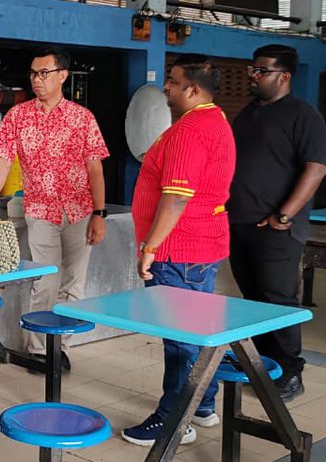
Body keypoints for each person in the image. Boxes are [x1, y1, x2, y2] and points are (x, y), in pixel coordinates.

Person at [121, 54, 236, 447]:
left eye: (172, 81)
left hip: (180, 249)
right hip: (201, 244)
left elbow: (176, 197)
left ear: (193, 89)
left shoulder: (191, 129)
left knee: (181, 338)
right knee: (197, 329)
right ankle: (202, 405)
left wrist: (151, 246)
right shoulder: (214, 120)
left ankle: (173, 419)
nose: (165, 88)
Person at [0, 46, 110, 365]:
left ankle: (58, 345)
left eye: (44, 73)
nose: (37, 80)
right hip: (40, 211)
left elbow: (95, 167)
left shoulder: (82, 118)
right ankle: (40, 350)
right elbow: (2, 163)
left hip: (80, 212)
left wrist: (100, 214)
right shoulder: (18, 116)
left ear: (62, 75)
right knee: (47, 280)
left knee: (74, 283)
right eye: (34, 73)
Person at [227, 44, 326, 402]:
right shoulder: (248, 113)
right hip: (240, 223)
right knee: (253, 300)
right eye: (252, 69)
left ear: (283, 76)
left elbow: (315, 169)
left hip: (277, 229)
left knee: (279, 301)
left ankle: (289, 372)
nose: (252, 76)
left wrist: (284, 215)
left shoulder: (303, 115)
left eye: (261, 71)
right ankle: (262, 364)